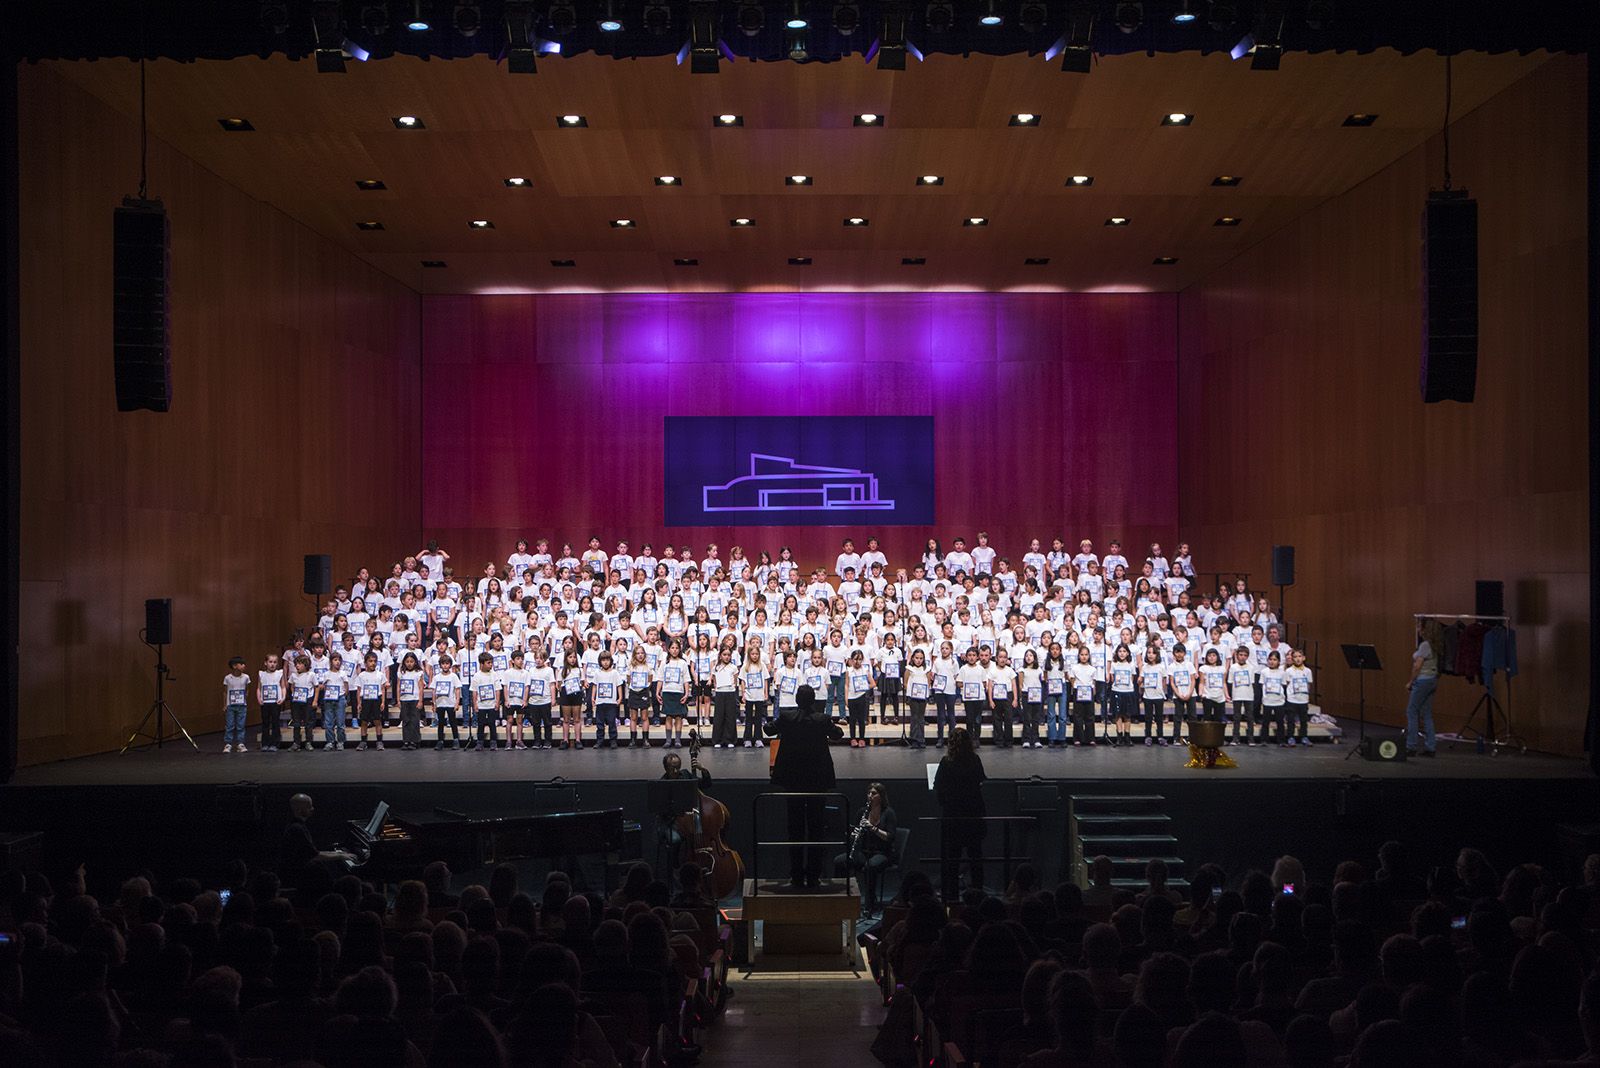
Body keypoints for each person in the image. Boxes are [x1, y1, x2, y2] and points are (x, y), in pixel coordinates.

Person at [764, 684, 843, 888]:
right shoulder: (821, 719)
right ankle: (814, 876)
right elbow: (838, 734)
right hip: (817, 780)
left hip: (793, 780)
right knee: (817, 828)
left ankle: (797, 875)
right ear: (814, 700)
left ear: (797, 700)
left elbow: (768, 729)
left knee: (795, 829)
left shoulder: (788, 717)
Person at [934, 726, 986, 898]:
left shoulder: (946, 762)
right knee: (975, 858)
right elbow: (981, 782)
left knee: (952, 860)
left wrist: (945, 803)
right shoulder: (975, 760)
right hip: (973, 814)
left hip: (953, 816)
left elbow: (938, 787)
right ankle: (978, 895)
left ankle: (952, 898)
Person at [835, 782, 898, 916]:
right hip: (864, 851)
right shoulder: (862, 812)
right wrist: (854, 835)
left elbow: (890, 837)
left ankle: (870, 904)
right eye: (868, 793)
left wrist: (873, 828)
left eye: (873, 793)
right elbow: (855, 833)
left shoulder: (888, 813)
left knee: (870, 867)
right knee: (840, 861)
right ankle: (840, 899)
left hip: (883, 852)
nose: (870, 796)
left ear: (881, 796)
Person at [281, 793, 355, 885]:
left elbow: (313, 852)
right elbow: (314, 856)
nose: (312, 809)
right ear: (299, 810)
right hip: (297, 874)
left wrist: (337, 853)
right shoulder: (297, 829)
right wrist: (340, 856)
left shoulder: (296, 825)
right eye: (309, 806)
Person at [1404, 622, 1439, 757]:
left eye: (1419, 627)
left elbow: (1417, 666)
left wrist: (1411, 682)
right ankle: (1431, 747)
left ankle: (1411, 746)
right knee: (1427, 714)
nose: (1417, 629)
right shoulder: (1435, 645)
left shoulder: (1425, 645)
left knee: (1412, 711)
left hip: (1423, 680)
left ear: (1425, 630)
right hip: (1432, 680)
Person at [223, 655, 250, 753]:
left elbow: (247, 690)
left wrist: (244, 700)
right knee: (230, 725)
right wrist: (225, 704)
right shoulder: (228, 678)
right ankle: (228, 743)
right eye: (241, 664)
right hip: (231, 705)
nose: (244, 666)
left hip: (242, 705)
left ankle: (240, 743)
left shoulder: (246, 677)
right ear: (234, 666)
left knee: (241, 725)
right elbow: (225, 692)